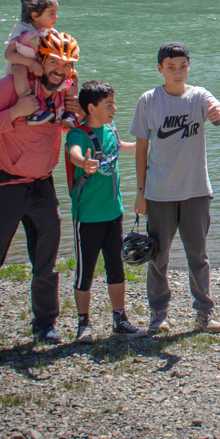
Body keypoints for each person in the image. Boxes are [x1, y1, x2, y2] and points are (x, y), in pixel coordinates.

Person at [0, 29, 82, 350]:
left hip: (43, 186)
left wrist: (78, 115)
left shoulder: (64, 93)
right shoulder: (8, 87)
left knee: (46, 263)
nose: (60, 70)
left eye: (67, 65)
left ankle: (45, 324)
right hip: (4, 186)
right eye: (54, 62)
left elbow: (71, 126)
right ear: (40, 60)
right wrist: (15, 113)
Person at [130, 41, 220, 334]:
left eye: (183, 67)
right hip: (159, 193)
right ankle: (158, 313)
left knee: (198, 256)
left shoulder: (198, 96)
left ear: (189, 67)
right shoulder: (149, 100)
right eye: (171, 67)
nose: (178, 73)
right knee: (158, 256)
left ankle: (204, 314)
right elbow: (141, 149)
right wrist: (140, 192)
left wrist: (219, 111)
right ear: (160, 69)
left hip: (196, 191)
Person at [65, 81, 145, 342]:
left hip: (114, 214)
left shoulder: (110, 129)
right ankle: (83, 324)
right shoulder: (78, 134)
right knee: (85, 272)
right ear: (91, 108)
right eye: (109, 105)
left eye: (113, 104)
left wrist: (145, 147)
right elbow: (74, 153)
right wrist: (83, 162)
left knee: (116, 268)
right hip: (87, 218)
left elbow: (122, 147)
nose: (114, 109)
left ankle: (120, 319)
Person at [4, 0, 78, 127]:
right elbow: (9, 54)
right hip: (20, 65)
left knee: (73, 74)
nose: (56, 17)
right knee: (19, 68)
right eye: (51, 13)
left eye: (56, 13)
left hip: (40, 65)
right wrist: (31, 63)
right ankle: (32, 111)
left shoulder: (50, 31)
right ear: (35, 15)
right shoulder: (21, 29)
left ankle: (70, 112)